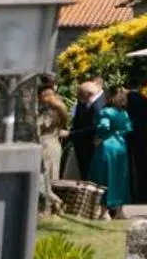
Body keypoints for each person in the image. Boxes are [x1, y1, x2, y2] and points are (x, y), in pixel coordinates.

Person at [91, 85, 134, 217]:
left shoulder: (105, 112)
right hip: (120, 146)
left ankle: (104, 211)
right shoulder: (124, 113)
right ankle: (119, 210)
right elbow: (128, 128)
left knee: (104, 176)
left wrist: (99, 136)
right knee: (120, 177)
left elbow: (104, 126)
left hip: (107, 146)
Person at [34, 79, 69, 212]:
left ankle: (53, 205)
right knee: (49, 177)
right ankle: (52, 206)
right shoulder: (58, 108)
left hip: (46, 147)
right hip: (53, 145)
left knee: (46, 179)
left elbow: (38, 127)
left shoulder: (49, 111)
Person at [67, 80, 101, 182]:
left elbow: (94, 128)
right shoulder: (83, 103)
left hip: (91, 145)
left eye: (81, 94)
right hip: (81, 145)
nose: (78, 96)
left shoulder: (98, 106)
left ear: (88, 94)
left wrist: (71, 134)